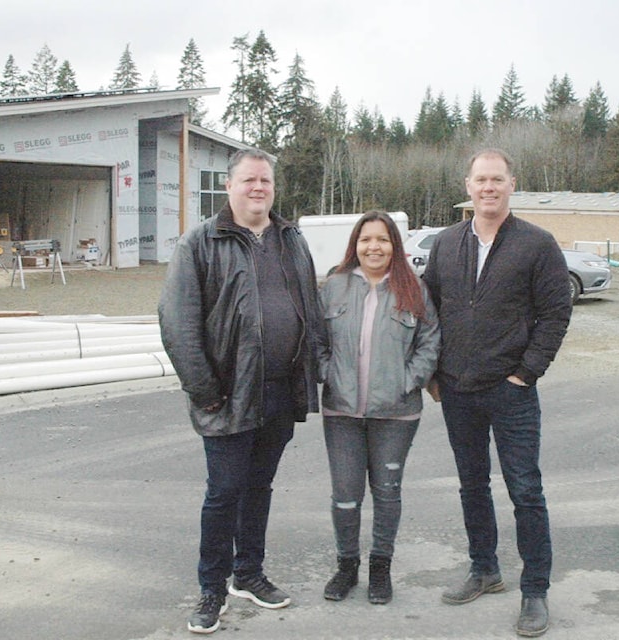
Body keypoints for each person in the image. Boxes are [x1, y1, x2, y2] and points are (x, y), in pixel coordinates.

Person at [158, 147, 324, 635]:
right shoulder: (200, 244)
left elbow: (309, 309)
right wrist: (204, 390)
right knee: (224, 491)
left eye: (266, 181)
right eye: (249, 180)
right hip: (227, 394)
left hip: (279, 390)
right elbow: (177, 321)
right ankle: (212, 587)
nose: (258, 188)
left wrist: (312, 370)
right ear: (228, 187)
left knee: (259, 486)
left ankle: (248, 574)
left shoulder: (292, 239)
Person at [422, 149, 572, 637]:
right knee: (472, 485)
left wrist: (526, 373)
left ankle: (535, 591)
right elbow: (428, 309)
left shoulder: (537, 244)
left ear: (512, 185)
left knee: (525, 490)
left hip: (512, 392)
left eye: (497, 180)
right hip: (458, 391)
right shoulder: (445, 244)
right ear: (467, 186)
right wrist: (433, 372)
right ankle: (484, 569)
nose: (489, 188)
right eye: (480, 180)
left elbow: (555, 313)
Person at [317, 211, 440, 605]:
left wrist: (408, 380)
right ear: (355, 244)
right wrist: (329, 373)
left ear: (394, 246)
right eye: (367, 239)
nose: (374, 247)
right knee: (345, 494)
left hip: (397, 413)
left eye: (383, 240)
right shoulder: (333, 288)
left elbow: (430, 342)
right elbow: (315, 341)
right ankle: (347, 566)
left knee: (387, 492)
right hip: (342, 412)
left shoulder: (414, 290)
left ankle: (380, 568)